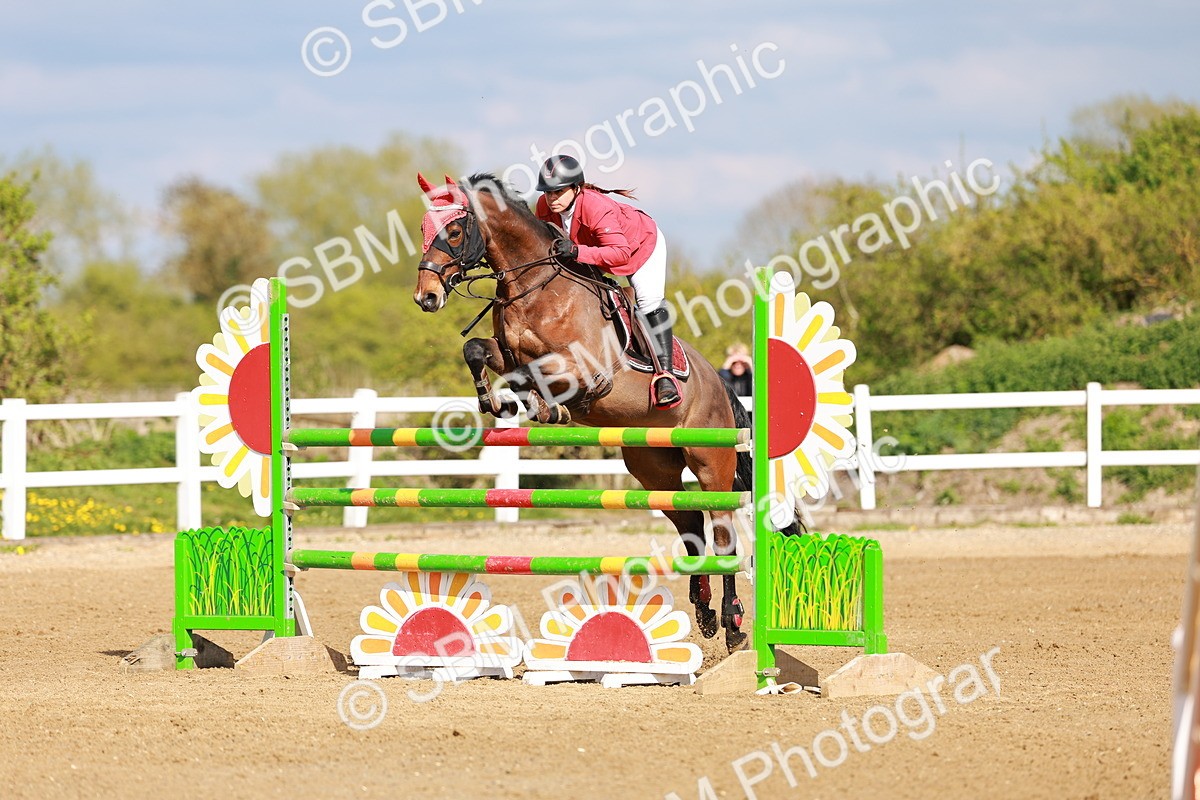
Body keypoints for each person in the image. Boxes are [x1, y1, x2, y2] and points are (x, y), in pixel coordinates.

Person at [534, 154, 680, 409]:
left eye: (558, 192)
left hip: (639, 246)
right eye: (548, 193)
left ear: (576, 188)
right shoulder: (544, 208)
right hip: (592, 253)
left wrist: (578, 252)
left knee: (648, 301)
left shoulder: (595, 207)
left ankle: (664, 376)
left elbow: (620, 253)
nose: (552, 198)